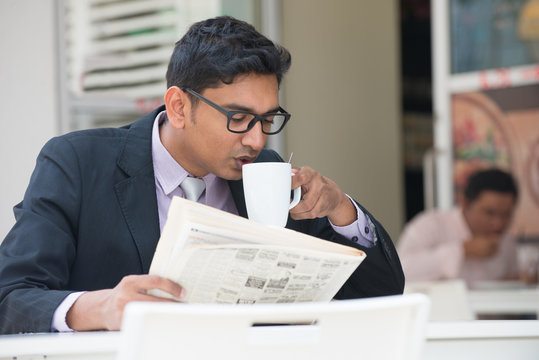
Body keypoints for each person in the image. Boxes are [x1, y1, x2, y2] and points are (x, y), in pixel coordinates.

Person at [0, 16, 404, 334]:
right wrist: (99, 307)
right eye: (239, 118)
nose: (256, 139)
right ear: (178, 106)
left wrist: (340, 211)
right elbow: (10, 298)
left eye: (267, 119)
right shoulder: (77, 162)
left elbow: (381, 291)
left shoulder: (266, 175)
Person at [397, 168, 519, 287]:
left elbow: (511, 281)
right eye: (489, 213)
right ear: (465, 203)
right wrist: (462, 250)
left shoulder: (506, 241)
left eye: (506, 214)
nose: (498, 223)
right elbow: (401, 272)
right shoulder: (430, 225)